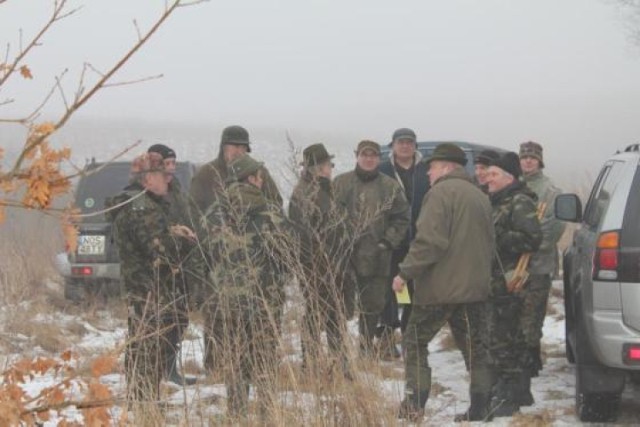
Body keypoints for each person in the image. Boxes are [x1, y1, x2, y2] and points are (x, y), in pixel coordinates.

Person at [392, 143, 496, 422]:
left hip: (440, 289)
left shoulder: (439, 194)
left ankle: (414, 405)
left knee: (414, 341)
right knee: (475, 348)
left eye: (432, 167)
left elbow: (429, 242)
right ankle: (480, 407)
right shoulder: (480, 195)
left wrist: (404, 273)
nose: (428, 173)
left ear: (448, 167)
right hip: (474, 289)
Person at [200, 154, 289, 419]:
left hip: (227, 302)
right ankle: (267, 415)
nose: (262, 182)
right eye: (260, 177)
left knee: (237, 360)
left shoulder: (213, 213)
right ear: (252, 178)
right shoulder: (270, 211)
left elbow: (205, 255)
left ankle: (236, 414)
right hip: (265, 301)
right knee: (264, 359)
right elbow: (288, 255)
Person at [189, 125, 283, 371]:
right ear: (223, 147)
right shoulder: (207, 175)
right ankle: (216, 365)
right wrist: (211, 247)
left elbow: (276, 205)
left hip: (257, 258)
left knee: (259, 320)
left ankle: (259, 366)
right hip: (220, 259)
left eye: (243, 147)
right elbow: (194, 213)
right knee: (218, 316)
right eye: (234, 146)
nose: (239, 151)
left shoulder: (259, 171)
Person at [108, 152, 198, 410]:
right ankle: (143, 405)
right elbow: (160, 252)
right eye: (163, 176)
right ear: (148, 179)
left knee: (145, 348)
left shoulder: (145, 204)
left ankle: (143, 402)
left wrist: (172, 232)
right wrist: (183, 240)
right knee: (147, 350)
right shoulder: (141, 207)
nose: (168, 181)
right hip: (148, 290)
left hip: (148, 290)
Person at [334, 140, 409, 358]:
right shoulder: (341, 183)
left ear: (379, 158)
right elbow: (329, 218)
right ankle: (338, 350)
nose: (369, 159)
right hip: (345, 258)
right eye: (364, 155)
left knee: (373, 305)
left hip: (378, 257)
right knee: (341, 306)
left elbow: (402, 218)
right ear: (357, 156)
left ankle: (366, 347)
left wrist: (387, 242)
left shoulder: (390, 186)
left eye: (373, 155)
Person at [485, 152, 542, 417]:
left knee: (505, 339)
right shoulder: (497, 200)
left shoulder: (519, 201)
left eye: (494, 174)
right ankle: (517, 391)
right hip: (497, 280)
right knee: (504, 336)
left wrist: (498, 236)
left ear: (508, 178)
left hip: (513, 281)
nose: (488, 178)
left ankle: (508, 397)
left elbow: (531, 239)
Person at [289, 143, 354, 377]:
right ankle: (312, 365)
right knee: (318, 314)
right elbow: (305, 235)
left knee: (331, 314)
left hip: (330, 264)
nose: (331, 169)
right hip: (318, 266)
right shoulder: (306, 194)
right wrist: (320, 264)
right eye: (329, 165)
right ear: (319, 168)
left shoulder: (322, 190)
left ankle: (338, 363)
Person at [146, 143, 199, 386]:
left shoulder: (177, 190)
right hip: (159, 269)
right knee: (160, 321)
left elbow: (187, 216)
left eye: (173, 164)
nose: (171, 169)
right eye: (166, 164)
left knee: (179, 319)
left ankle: (170, 368)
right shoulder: (149, 193)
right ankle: (158, 372)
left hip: (181, 265)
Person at [518, 141, 566, 404]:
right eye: (524, 158)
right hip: (515, 266)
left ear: (539, 161)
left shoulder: (550, 191)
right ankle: (527, 357)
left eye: (532, 158)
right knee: (517, 314)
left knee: (533, 315)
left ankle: (530, 360)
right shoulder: (513, 185)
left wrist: (530, 245)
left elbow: (555, 227)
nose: (528, 162)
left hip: (538, 265)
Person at [377, 128, 430, 359]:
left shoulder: (425, 170)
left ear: (415, 146)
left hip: (419, 242)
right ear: (393, 145)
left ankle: (410, 339)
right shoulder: (383, 170)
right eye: (401, 142)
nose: (405, 146)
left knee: (413, 293)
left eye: (410, 142)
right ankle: (387, 339)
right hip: (391, 243)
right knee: (390, 291)